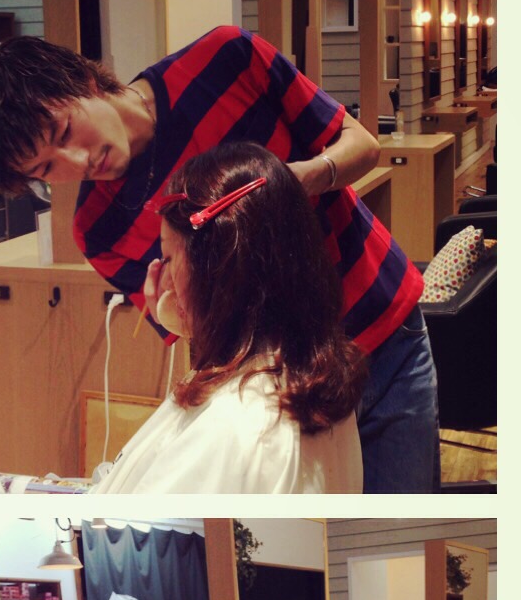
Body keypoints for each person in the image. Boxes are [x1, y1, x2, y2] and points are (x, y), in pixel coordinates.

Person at [0, 27, 438, 493]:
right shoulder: (99, 229)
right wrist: (175, 313)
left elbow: (363, 146)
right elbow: (207, 334)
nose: (78, 162)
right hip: (288, 390)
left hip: (382, 327)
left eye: (65, 131)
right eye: (47, 167)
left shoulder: (227, 60)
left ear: (83, 81)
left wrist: (296, 181)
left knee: (403, 525)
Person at [89, 141, 365, 492]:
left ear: (216, 272)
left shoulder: (232, 428)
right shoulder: (310, 377)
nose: (164, 280)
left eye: (169, 259)